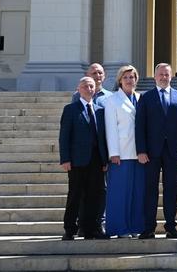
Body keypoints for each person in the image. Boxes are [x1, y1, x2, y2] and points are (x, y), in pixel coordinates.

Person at [135, 63, 177, 239]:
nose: (163, 77)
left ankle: (171, 226)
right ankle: (149, 227)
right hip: (151, 152)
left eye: (166, 74)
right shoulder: (146, 97)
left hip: (173, 151)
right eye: (160, 74)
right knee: (150, 189)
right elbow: (140, 126)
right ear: (155, 77)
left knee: (171, 189)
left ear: (171, 76)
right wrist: (141, 150)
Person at [58, 76, 109, 240]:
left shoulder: (100, 110)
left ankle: (92, 229)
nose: (89, 89)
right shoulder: (70, 109)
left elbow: (103, 138)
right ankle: (70, 229)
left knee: (95, 195)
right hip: (77, 161)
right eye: (86, 86)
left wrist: (104, 159)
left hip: (96, 160)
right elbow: (64, 136)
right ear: (79, 89)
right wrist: (65, 159)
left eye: (92, 86)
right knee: (75, 195)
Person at [102, 65, 144, 238]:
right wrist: (113, 153)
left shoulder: (141, 98)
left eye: (132, 77)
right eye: (125, 77)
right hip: (121, 154)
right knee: (120, 193)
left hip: (140, 154)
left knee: (137, 192)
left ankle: (135, 227)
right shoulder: (112, 100)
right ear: (120, 80)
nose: (129, 80)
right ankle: (119, 228)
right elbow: (110, 128)